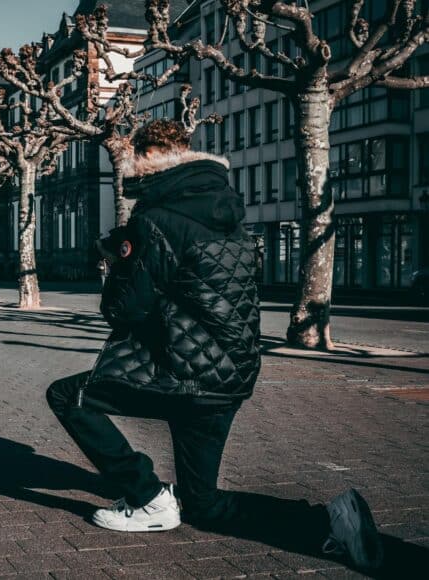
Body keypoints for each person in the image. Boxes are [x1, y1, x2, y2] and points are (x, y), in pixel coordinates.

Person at [45, 119, 383, 571]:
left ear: (147, 162)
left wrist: (117, 262)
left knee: (68, 396)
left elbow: (126, 311)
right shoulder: (228, 211)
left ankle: (147, 496)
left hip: (185, 372)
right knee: (203, 505)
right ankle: (328, 521)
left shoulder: (154, 220)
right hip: (230, 373)